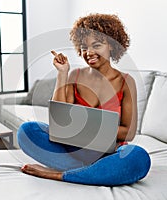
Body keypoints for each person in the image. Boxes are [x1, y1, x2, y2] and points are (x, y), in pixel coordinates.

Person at [17, 13, 151, 186]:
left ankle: (59, 174)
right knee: (26, 131)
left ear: (111, 44)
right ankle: (94, 172)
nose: (89, 52)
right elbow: (59, 118)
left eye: (96, 45)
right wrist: (62, 73)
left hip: (108, 153)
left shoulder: (126, 82)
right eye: (84, 47)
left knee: (138, 158)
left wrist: (90, 129)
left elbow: (129, 132)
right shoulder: (75, 75)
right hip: (72, 150)